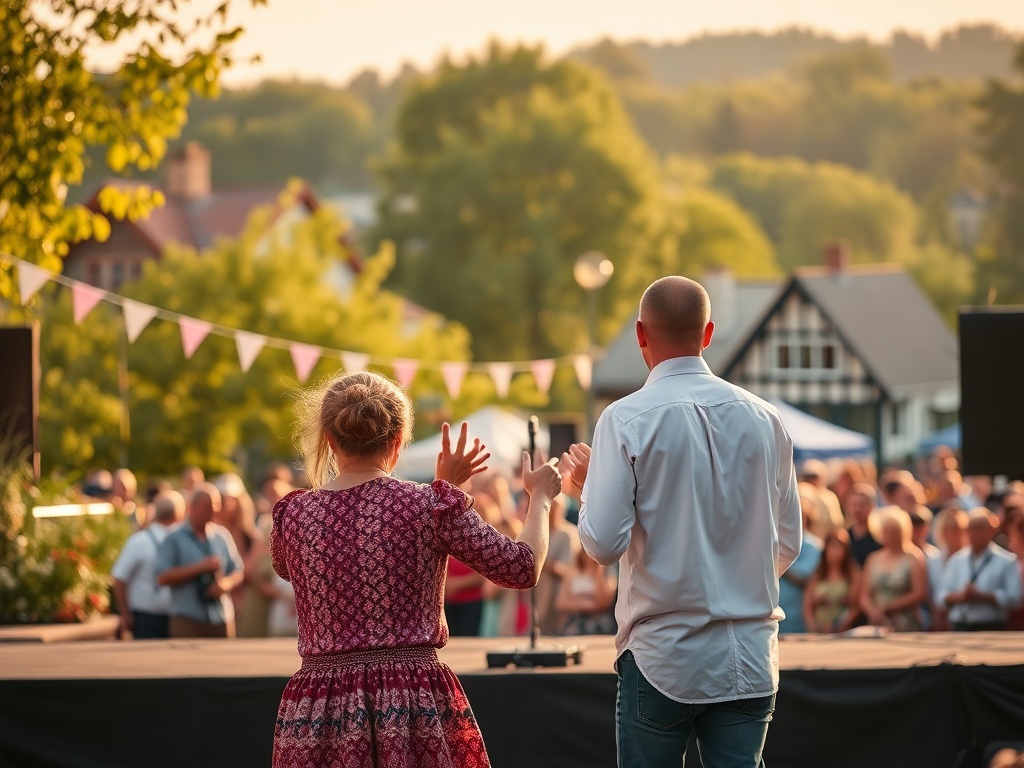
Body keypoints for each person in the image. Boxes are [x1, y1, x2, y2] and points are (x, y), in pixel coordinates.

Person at [561, 276, 802, 768]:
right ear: (708, 333)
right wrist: (729, 585)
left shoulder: (625, 419)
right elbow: (788, 543)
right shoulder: (765, 418)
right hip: (749, 654)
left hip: (664, 655)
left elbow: (603, 544)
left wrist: (586, 489)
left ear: (640, 335)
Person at [270, 371, 561, 768]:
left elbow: (290, 568)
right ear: (398, 439)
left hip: (321, 710)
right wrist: (540, 496)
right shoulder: (428, 506)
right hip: (409, 702)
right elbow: (521, 567)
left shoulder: (295, 513)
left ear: (329, 438)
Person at [156, 483, 244, 638]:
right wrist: (199, 568)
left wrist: (225, 584)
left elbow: (237, 570)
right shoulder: (173, 538)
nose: (214, 511)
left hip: (220, 616)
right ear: (192, 507)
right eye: (208, 506)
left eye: (216, 505)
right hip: (188, 619)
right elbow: (162, 577)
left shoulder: (221, 536)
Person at [110, 490, 186, 639]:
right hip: (158, 619)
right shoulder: (182, 541)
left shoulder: (138, 541)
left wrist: (125, 614)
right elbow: (119, 578)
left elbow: (119, 578)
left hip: (158, 618)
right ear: (179, 514)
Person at [937, 508, 1022, 631]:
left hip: (990, 626)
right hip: (960, 625)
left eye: (978, 529)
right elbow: (940, 596)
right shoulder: (957, 560)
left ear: (991, 530)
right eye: (970, 529)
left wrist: (982, 597)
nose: (973, 534)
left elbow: (1015, 598)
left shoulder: (1007, 561)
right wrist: (958, 597)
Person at [860, 507, 927, 632]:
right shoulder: (873, 559)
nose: (890, 535)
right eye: (886, 531)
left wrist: (889, 607)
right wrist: (873, 612)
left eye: (894, 531)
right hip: (877, 622)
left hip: (904, 621)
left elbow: (919, 593)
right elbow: (864, 595)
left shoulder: (913, 557)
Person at [778, 485, 823, 634]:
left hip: (798, 617)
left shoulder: (813, 545)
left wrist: (777, 561)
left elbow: (805, 575)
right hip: (776, 614)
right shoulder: (777, 543)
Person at [533, 494, 579, 636]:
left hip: (559, 592)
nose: (552, 512)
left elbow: (569, 568)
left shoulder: (568, 533)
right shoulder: (540, 532)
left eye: (556, 508)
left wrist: (544, 564)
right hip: (541, 591)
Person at [803, 529, 862, 633]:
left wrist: (841, 625)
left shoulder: (853, 574)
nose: (835, 551)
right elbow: (807, 607)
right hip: (819, 631)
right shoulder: (818, 575)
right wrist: (813, 628)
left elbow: (855, 607)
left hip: (844, 631)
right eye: (832, 546)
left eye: (839, 547)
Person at [555, 548, 617, 636]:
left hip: (599, 625)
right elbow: (561, 602)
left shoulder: (607, 574)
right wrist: (590, 604)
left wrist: (599, 570)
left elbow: (604, 602)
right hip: (575, 623)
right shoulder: (572, 573)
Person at [846, 483, 882, 567]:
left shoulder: (880, 538)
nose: (858, 509)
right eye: (854, 504)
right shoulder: (843, 537)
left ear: (872, 506)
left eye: (862, 505)